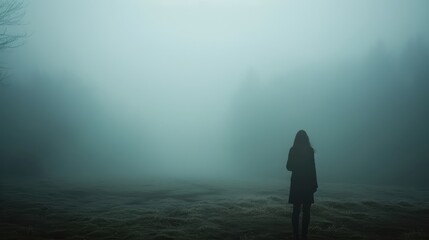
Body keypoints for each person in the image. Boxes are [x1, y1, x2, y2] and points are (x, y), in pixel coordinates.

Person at [286, 130, 318, 240]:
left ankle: (296, 235)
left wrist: (297, 165)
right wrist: (315, 184)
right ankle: (304, 235)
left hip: (296, 183)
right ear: (306, 139)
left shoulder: (293, 150)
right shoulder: (309, 151)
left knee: (296, 210)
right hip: (308, 183)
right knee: (306, 211)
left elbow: (288, 167)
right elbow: (313, 169)